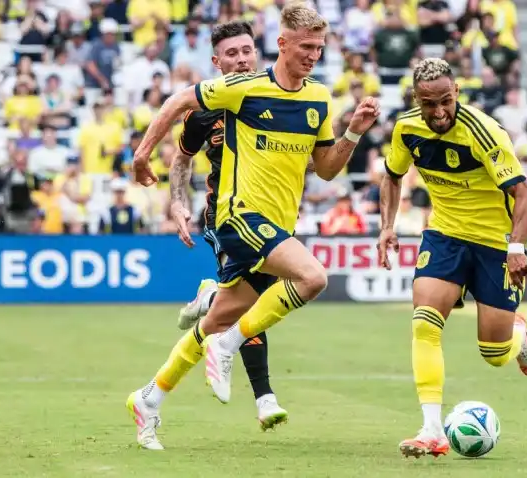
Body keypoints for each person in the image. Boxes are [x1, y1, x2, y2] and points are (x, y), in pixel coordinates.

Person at [126, 4, 380, 451]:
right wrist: (145, 154)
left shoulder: (318, 97)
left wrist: (353, 134)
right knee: (313, 277)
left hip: (279, 225)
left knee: (220, 316)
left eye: (319, 48)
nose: (314, 55)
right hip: (237, 216)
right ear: (282, 45)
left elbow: (324, 169)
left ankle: (149, 398)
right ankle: (232, 352)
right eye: (305, 47)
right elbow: (178, 104)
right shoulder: (241, 90)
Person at [376, 58, 527, 459]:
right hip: (445, 235)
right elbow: (393, 176)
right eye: (429, 103)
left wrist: (516, 248)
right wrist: (387, 226)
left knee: (494, 354)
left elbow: (524, 195)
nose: (439, 112)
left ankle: (517, 335)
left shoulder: (485, 133)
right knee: (424, 324)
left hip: (494, 244)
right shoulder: (406, 130)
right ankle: (432, 428)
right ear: (417, 99)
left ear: (457, 95)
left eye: (446, 101)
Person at [159, 21, 286, 438]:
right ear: (216, 62)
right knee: (254, 301)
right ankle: (265, 398)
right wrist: (178, 202)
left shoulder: (277, 93)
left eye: (246, 50)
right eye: (231, 54)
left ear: (258, 52)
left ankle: (210, 295)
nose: (241, 59)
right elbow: (182, 159)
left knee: (251, 298)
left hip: (273, 213)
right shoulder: (203, 111)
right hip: (227, 216)